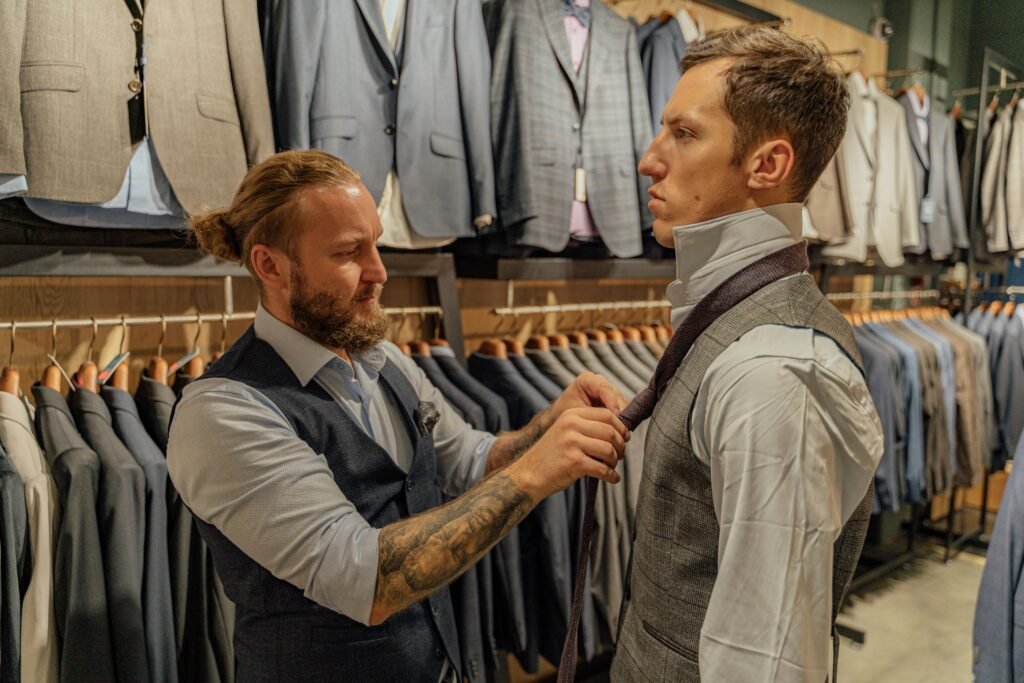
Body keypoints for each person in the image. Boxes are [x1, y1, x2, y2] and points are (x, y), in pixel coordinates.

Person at [166, 149, 630, 683]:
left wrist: (547, 426)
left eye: (376, 244)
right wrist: (533, 474)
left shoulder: (382, 360)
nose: (380, 272)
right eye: (348, 253)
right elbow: (364, 580)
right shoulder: (224, 412)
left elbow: (472, 460)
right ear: (269, 265)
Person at [610, 27, 884, 682]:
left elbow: (766, 661)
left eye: (684, 134)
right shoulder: (730, 321)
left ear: (768, 165)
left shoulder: (774, 374)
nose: (650, 159)